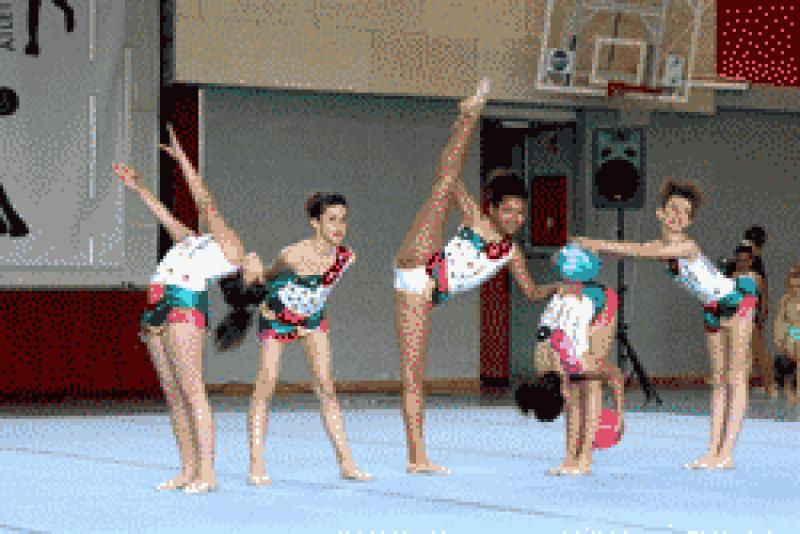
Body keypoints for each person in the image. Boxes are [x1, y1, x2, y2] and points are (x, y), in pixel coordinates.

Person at [393, 78, 558, 475]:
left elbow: (531, 292)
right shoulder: (477, 222)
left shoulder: (512, 253)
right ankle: (469, 116)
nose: (515, 219)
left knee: (414, 379)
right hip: (420, 263)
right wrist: (464, 126)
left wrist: (560, 287)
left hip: (422, 297)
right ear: (494, 209)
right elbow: (448, 176)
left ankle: (417, 458)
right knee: (444, 184)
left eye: (520, 213)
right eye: (508, 211)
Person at [112, 124, 265, 494]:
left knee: (192, 391)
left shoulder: (232, 249)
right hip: (157, 303)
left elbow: (205, 203)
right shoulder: (204, 245)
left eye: (261, 274)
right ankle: (187, 470)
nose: (262, 261)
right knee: (174, 396)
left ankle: (207, 473)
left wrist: (183, 161)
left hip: (183, 305)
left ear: (246, 278)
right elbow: (168, 220)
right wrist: (138, 188)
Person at [573, 179, 757, 470]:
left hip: (736, 302)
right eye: (673, 209)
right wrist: (593, 246)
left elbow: (637, 252)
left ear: (690, 221)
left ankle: (727, 453)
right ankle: (713, 452)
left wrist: (594, 243)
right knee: (718, 381)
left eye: (685, 212)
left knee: (736, 378)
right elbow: (631, 249)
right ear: (660, 213)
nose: (678, 216)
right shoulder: (659, 245)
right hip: (711, 309)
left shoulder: (686, 246)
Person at [215, 193, 372, 486]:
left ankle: (347, 464)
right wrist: (253, 283)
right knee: (267, 384)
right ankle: (256, 464)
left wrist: (305, 317)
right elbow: (267, 279)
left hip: (311, 318)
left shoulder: (346, 257)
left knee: (326, 386)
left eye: (343, 220)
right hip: (276, 316)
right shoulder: (292, 255)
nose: (339, 227)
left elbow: (318, 290)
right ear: (315, 223)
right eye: (331, 220)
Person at [516, 244, 624, 476]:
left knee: (590, 386)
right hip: (565, 310)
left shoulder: (580, 363)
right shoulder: (544, 363)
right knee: (577, 394)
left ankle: (584, 458)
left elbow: (616, 376)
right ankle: (570, 457)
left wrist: (620, 416)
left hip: (601, 303)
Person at [729, 240, 775, 396]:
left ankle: (770, 384)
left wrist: (761, 317)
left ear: (751, 261)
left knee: (759, 352)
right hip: (736, 318)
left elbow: (762, 299)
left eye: (745, 260)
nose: (742, 263)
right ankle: (741, 385)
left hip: (750, 318)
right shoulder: (732, 277)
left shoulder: (756, 277)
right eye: (739, 260)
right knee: (740, 353)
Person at [773, 264, 800, 404]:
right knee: (790, 358)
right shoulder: (786, 299)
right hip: (792, 330)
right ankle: (789, 389)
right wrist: (779, 336)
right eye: (793, 286)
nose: (795, 289)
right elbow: (780, 319)